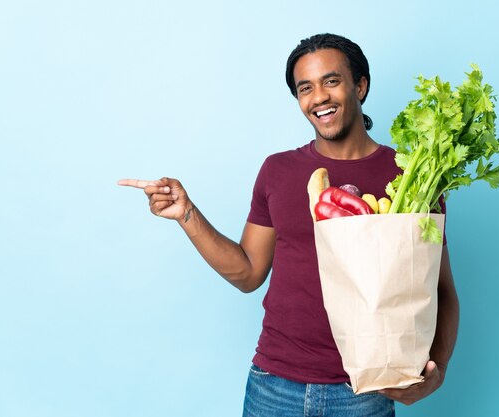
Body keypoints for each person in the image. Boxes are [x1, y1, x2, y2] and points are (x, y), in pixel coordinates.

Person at [119, 33, 459, 416]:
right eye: (305, 88)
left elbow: (442, 291)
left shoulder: (412, 175)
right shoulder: (278, 171)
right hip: (273, 386)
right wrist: (186, 213)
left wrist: (438, 369)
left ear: (360, 85)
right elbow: (248, 273)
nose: (319, 98)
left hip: (366, 391)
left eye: (331, 81)